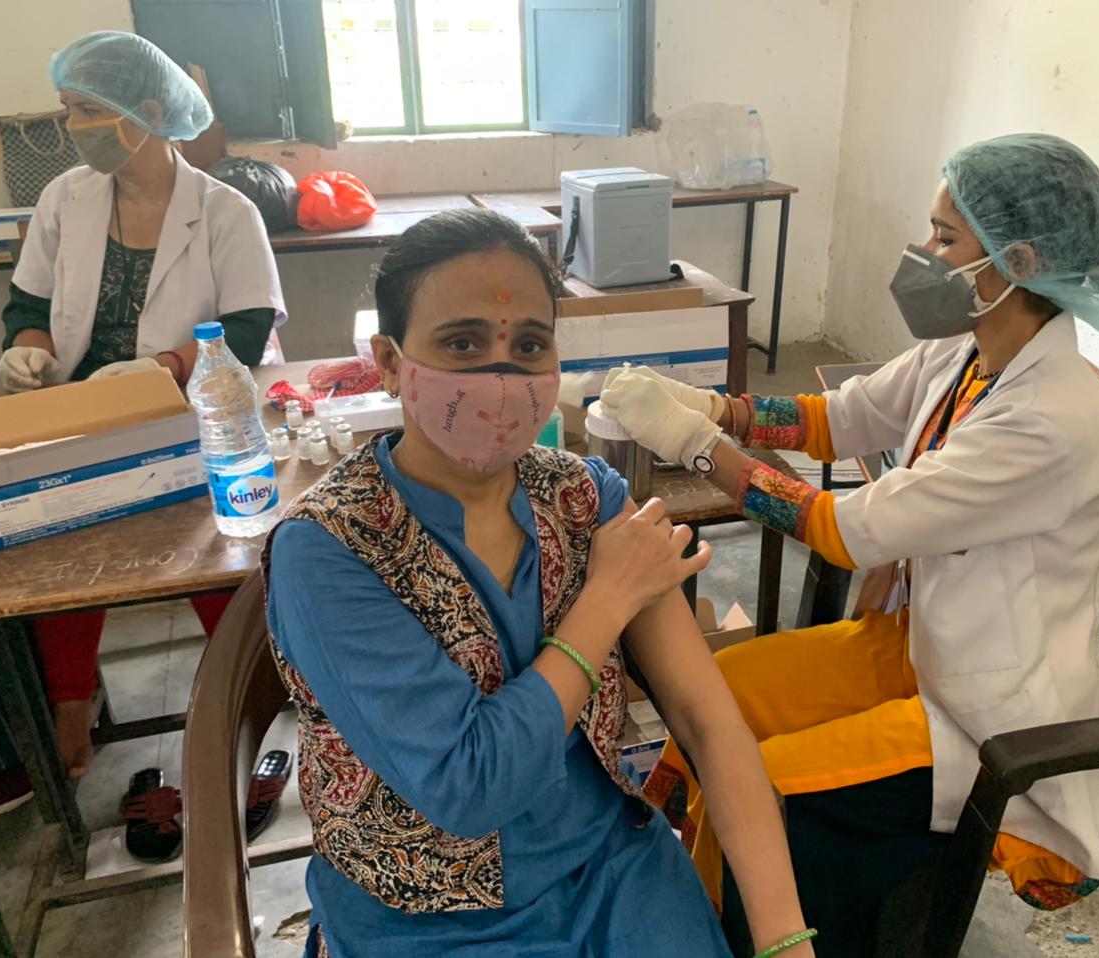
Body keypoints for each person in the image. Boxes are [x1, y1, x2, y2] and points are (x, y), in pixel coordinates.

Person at [600, 133, 1099, 955]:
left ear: (1018, 262)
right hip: (923, 644)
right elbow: (838, 418)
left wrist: (694, 444)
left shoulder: (1050, 416)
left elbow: (843, 531)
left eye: (945, 238)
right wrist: (717, 408)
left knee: (768, 788)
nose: (924, 253)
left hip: (987, 704)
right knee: (718, 695)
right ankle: (699, 917)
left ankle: (773, 936)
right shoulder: (968, 353)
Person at [264, 208, 818, 958]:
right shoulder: (331, 547)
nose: (501, 379)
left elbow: (709, 722)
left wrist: (787, 942)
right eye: (462, 343)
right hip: (427, 913)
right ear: (390, 362)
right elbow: (469, 787)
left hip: (609, 866)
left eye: (528, 345)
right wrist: (606, 601)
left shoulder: (584, 499)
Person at [0, 31, 286, 805]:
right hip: (85, 409)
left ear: (147, 110)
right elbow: (28, 303)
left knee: (214, 555)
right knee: (62, 550)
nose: (72, 127)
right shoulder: (66, 199)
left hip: (192, 417)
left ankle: (247, 702)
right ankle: (70, 702)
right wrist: (28, 349)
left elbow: (249, 327)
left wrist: (165, 369)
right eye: (68, 109)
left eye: (88, 110)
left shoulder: (224, 211)